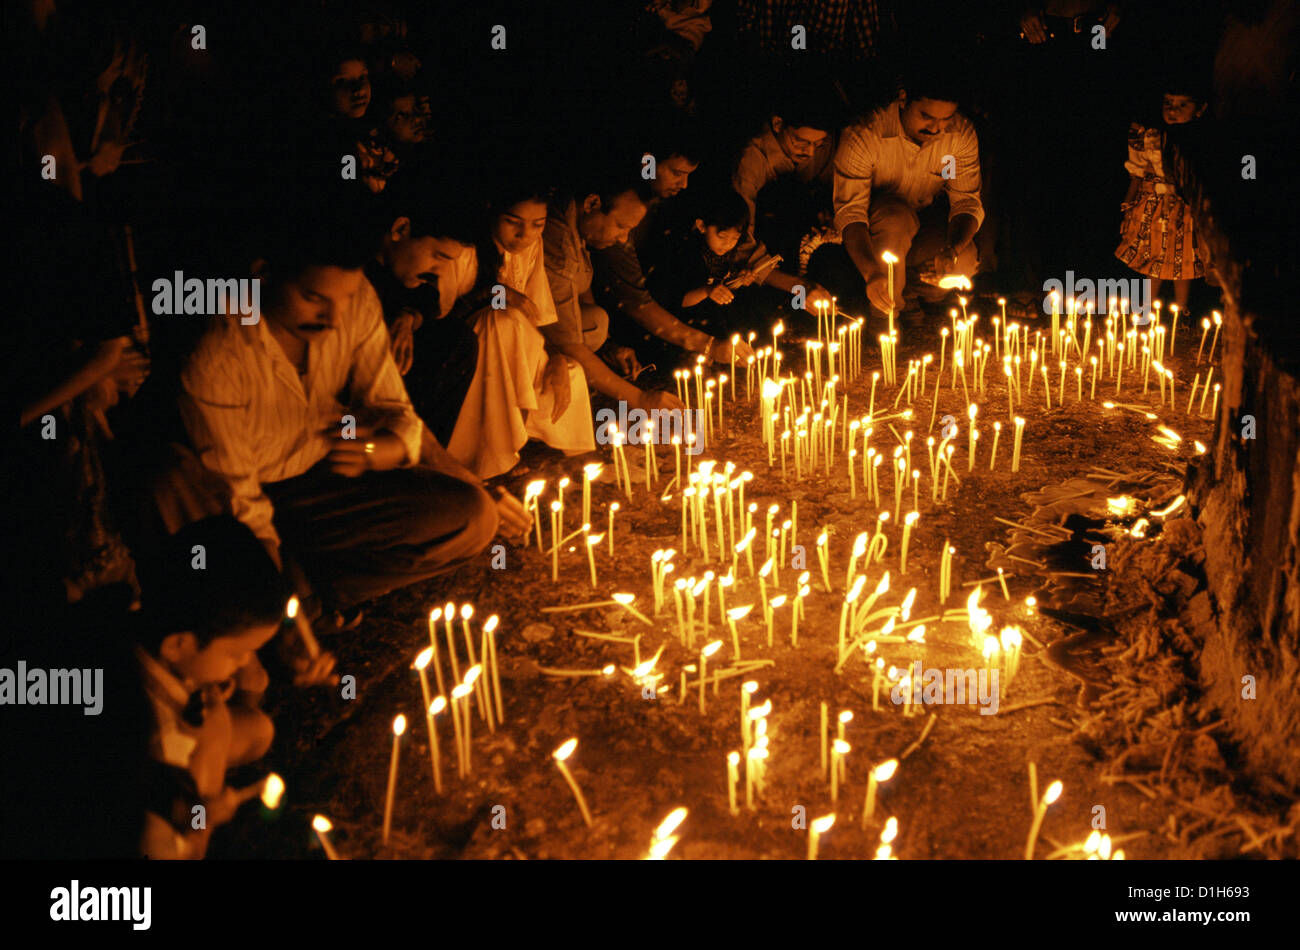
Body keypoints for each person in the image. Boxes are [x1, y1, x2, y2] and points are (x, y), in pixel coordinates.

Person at [175, 188, 511, 634]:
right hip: (251, 496)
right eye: (314, 297)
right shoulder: (216, 356)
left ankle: (314, 587)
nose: (333, 318)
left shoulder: (356, 300)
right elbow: (240, 500)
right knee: (253, 605)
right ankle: (292, 598)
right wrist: (271, 578)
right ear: (263, 276)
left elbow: (394, 409)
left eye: (344, 298)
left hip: (326, 480)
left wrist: (378, 451)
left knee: (473, 516)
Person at [134, 516, 288, 859]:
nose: (245, 661)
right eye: (236, 653)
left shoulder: (146, 630)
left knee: (258, 730)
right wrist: (202, 820)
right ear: (178, 645)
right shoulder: (161, 743)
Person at [445, 182, 596, 479]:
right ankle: (495, 456)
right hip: (474, 349)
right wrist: (498, 293)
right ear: (492, 213)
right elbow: (452, 307)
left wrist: (554, 357)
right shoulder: (468, 249)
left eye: (537, 225)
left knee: (569, 371)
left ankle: (526, 442)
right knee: (503, 320)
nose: (524, 235)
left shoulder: (532, 247)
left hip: (517, 345)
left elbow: (537, 314)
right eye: (512, 223)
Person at [592, 126, 756, 367]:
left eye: (689, 175)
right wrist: (707, 345)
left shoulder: (670, 208)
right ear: (646, 163)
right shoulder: (617, 207)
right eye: (677, 173)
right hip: (631, 318)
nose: (684, 184)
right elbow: (637, 300)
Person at [827, 73, 984, 323]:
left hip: (924, 228)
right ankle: (885, 312)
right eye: (926, 116)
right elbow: (851, 213)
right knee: (895, 218)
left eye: (946, 119)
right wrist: (871, 273)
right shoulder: (865, 134)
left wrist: (951, 250)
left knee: (964, 259)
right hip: (877, 236)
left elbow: (966, 201)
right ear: (903, 99)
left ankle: (912, 290)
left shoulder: (959, 135)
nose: (936, 128)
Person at [542, 178, 685, 414]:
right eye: (621, 226)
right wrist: (640, 398)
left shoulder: (578, 228)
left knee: (598, 320)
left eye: (629, 230)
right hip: (519, 331)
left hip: (553, 330)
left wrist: (609, 347)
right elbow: (568, 343)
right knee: (568, 362)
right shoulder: (557, 243)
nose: (622, 239)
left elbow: (579, 296)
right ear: (592, 203)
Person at [366, 178, 480, 446]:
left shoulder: (407, 269)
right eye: (438, 256)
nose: (440, 271)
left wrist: (408, 317)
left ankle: (422, 453)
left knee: (455, 339)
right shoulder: (347, 261)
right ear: (401, 228)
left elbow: (428, 297)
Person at [1114, 84, 1212, 310]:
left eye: (1182, 105)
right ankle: (1147, 308)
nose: (1173, 110)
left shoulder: (1201, 141)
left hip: (1185, 209)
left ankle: (1182, 311)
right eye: (1168, 103)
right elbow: (1136, 172)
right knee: (1152, 256)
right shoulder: (1148, 134)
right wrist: (1128, 206)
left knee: (1182, 258)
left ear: (1199, 109)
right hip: (1152, 205)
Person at [650, 189, 796, 337]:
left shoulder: (732, 253)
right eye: (722, 236)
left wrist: (740, 278)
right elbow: (675, 300)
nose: (727, 244)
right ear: (701, 226)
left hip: (719, 325)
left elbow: (727, 282)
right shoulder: (686, 254)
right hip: (685, 329)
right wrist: (707, 291)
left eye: (734, 239)